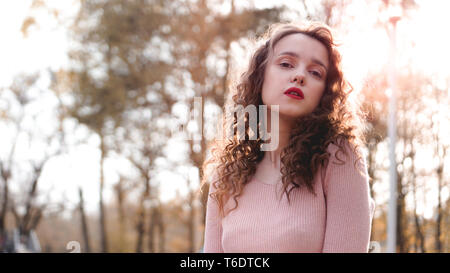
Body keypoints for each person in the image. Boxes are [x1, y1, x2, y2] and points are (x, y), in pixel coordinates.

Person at [201, 21, 376, 253]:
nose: (300, 76)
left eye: (315, 72)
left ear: (325, 91)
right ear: (260, 76)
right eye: (286, 64)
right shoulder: (226, 174)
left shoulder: (339, 157)